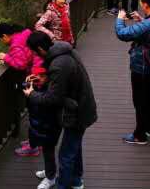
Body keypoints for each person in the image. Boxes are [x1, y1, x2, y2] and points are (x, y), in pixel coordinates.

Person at [25, 31, 97, 189]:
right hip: (82, 105)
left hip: (78, 112)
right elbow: (64, 81)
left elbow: (52, 99)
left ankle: (62, 185)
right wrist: (45, 79)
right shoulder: (64, 51)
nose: (35, 55)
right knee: (74, 148)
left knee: (65, 154)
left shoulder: (58, 64)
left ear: (40, 49)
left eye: (34, 52)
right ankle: (77, 181)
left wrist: (32, 94)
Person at [115, 0, 150, 145]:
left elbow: (122, 34)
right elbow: (149, 33)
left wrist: (120, 19)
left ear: (145, 4)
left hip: (141, 66)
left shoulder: (148, 23)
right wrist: (141, 20)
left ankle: (139, 135)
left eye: (141, 2)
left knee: (140, 99)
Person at [0, 23, 45, 156]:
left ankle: (34, 146)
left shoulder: (16, 44)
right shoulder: (25, 34)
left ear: (5, 36)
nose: (2, 41)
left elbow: (21, 64)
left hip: (36, 78)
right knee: (37, 113)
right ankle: (35, 141)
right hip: (41, 73)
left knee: (34, 113)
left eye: (1, 39)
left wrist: (5, 57)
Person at [21, 64, 62, 189]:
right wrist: (30, 86)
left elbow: (45, 102)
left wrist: (32, 93)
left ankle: (51, 178)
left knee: (48, 150)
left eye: (42, 76)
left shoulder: (51, 90)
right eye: (37, 76)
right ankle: (50, 171)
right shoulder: (40, 87)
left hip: (50, 127)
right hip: (43, 127)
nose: (39, 78)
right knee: (46, 151)